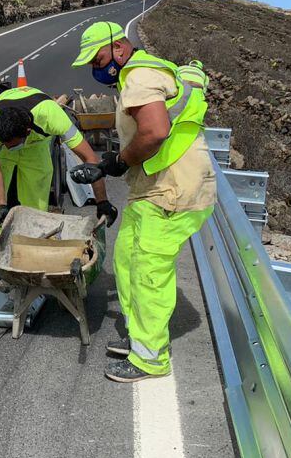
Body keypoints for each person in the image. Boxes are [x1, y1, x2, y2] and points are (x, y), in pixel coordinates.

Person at [70, 21, 215, 384]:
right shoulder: (136, 77)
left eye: (99, 59)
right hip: (152, 187)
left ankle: (151, 358)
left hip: (172, 189)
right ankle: (139, 339)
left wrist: (116, 163)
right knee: (127, 260)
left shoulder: (139, 76)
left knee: (149, 271)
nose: (95, 69)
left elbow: (155, 131)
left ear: (119, 47)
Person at [0, 85, 118, 296]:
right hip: (7, 141)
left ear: (27, 132)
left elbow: (90, 159)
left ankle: (29, 263)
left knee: (36, 206)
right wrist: (2, 204)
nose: (10, 148)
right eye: (7, 144)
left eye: (13, 145)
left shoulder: (52, 116)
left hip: (36, 145)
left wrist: (102, 202)